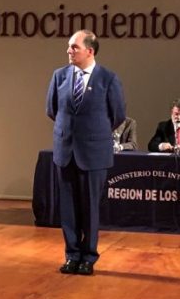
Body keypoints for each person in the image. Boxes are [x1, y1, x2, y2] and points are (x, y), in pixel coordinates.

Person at [46, 29, 126, 276]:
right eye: (69, 46)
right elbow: (52, 110)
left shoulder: (108, 79)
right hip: (65, 151)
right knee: (68, 207)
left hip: (94, 152)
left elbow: (117, 115)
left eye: (74, 47)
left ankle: (88, 257)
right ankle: (72, 255)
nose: (69, 50)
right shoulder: (59, 76)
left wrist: (92, 133)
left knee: (90, 207)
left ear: (89, 51)